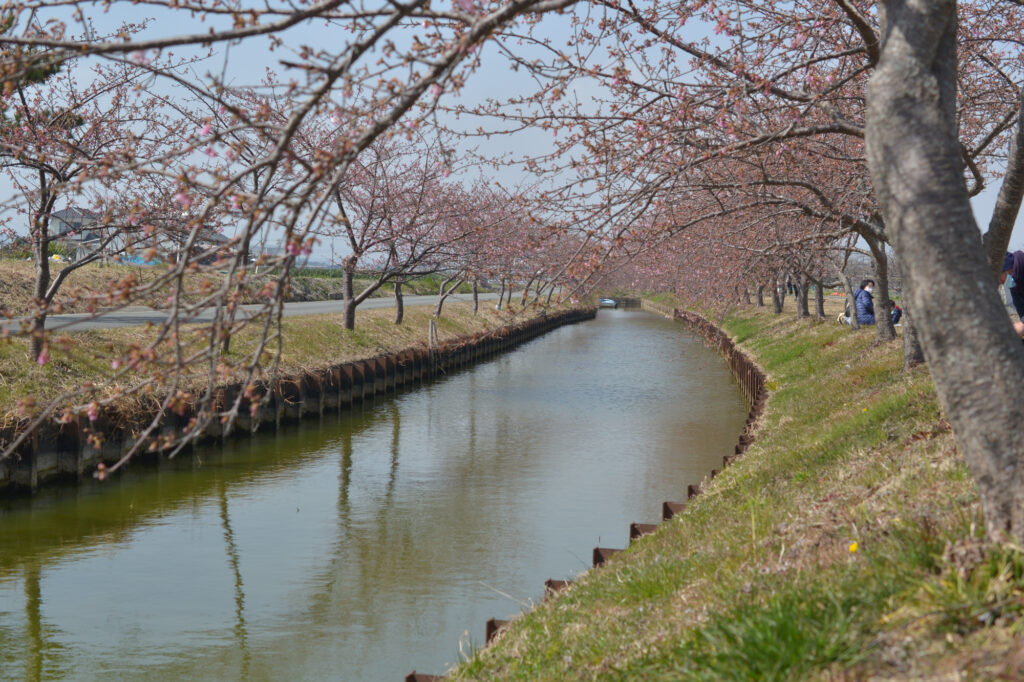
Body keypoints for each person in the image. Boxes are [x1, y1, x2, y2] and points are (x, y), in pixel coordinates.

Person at [1000, 251, 1024, 336]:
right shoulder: (1015, 286)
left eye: (1000, 278)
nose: (1000, 283)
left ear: (1007, 268)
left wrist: (1022, 326)